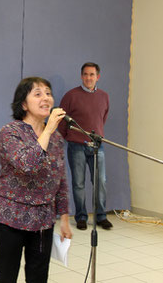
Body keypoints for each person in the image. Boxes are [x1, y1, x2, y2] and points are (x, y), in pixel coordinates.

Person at [0, 77, 72, 283]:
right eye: (38, 94)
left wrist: (63, 218)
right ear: (24, 104)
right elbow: (28, 164)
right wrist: (49, 130)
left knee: (38, 277)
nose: (46, 98)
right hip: (11, 217)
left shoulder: (56, 139)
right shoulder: (10, 132)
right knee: (6, 276)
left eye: (48, 93)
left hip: (44, 220)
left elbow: (60, 179)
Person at [58, 62, 113, 230]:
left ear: (98, 77)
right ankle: (81, 216)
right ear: (81, 76)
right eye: (86, 74)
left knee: (100, 182)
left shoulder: (104, 96)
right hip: (76, 146)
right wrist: (65, 138)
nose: (89, 78)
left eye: (92, 75)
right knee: (79, 183)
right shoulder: (71, 95)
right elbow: (61, 119)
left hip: (97, 145)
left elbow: (101, 118)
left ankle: (101, 216)